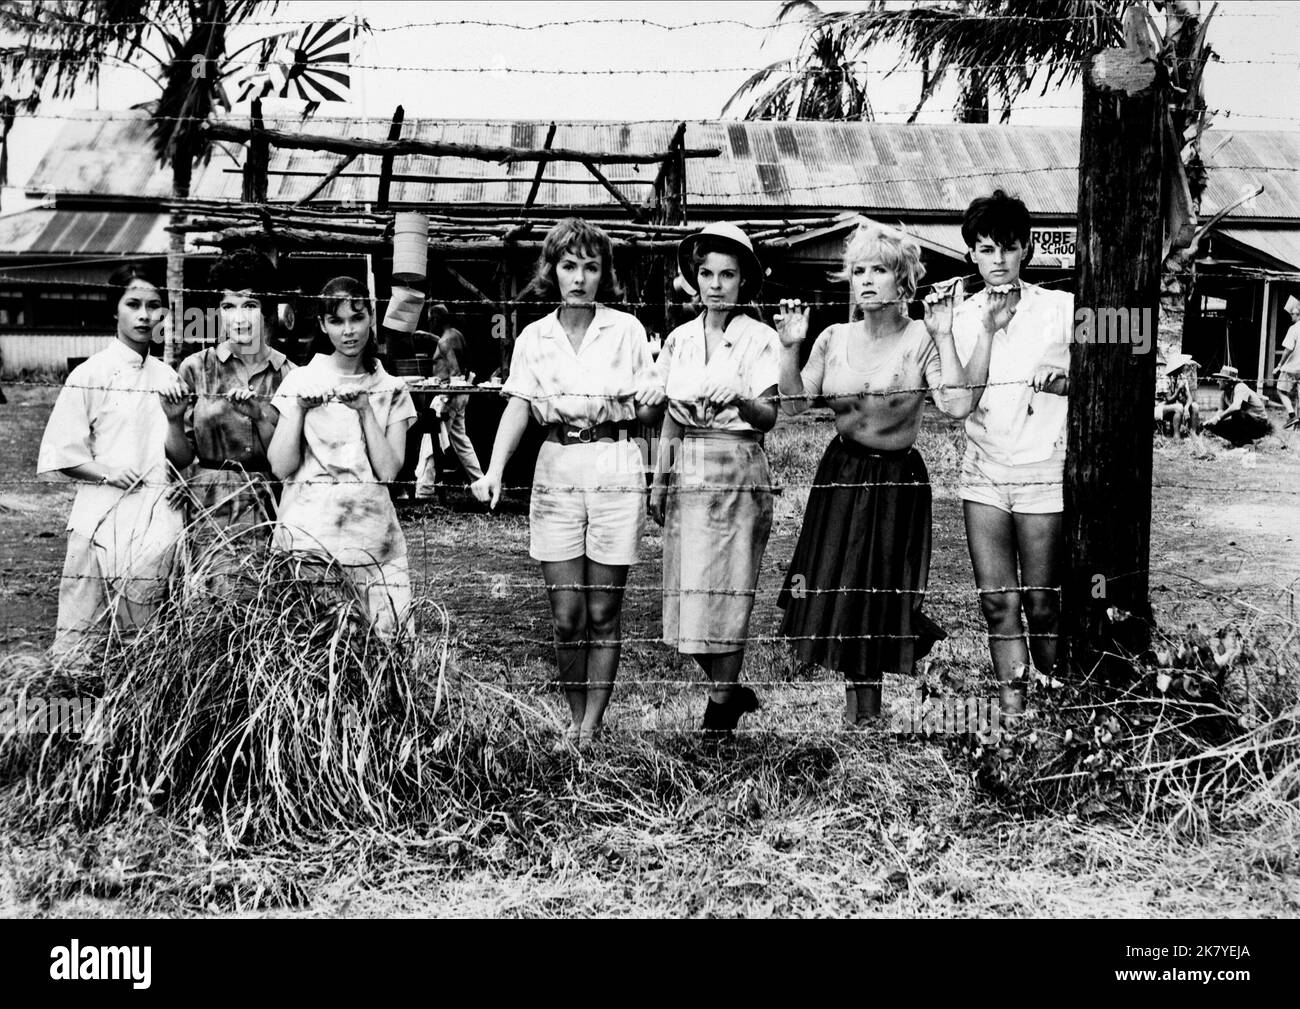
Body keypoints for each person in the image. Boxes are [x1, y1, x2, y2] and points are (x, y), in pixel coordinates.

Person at [471, 218, 665, 750]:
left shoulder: (625, 329)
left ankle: (591, 727)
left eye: (591, 267)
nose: (579, 278)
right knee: (567, 615)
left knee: (603, 610)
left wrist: (655, 398)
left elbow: (650, 415)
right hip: (556, 465)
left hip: (614, 463)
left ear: (605, 274)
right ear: (552, 270)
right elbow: (518, 405)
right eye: (568, 266)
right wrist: (494, 470)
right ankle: (573, 715)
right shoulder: (535, 337)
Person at [774, 222, 972, 729]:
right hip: (840, 473)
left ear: (902, 281)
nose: (865, 280)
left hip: (894, 481)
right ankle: (855, 715)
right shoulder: (834, 337)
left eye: (878, 270)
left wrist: (946, 335)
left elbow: (954, 405)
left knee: (878, 591)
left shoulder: (921, 337)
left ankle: (871, 715)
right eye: (858, 270)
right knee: (841, 587)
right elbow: (795, 407)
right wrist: (790, 347)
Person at [649, 222, 779, 733]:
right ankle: (729, 689)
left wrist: (743, 400)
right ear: (695, 280)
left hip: (739, 465)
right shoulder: (680, 340)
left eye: (728, 274)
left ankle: (722, 701)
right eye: (706, 274)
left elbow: (769, 415)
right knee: (688, 596)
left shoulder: (761, 338)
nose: (716, 284)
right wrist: (660, 479)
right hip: (689, 472)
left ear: (744, 281)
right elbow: (672, 416)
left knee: (727, 589)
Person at [951, 190, 1073, 715]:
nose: (997, 260)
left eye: (1007, 247)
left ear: (1026, 248)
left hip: (1044, 469)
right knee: (998, 602)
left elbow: (1133, 355)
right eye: (984, 249)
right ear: (972, 254)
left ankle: (1053, 711)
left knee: (1043, 603)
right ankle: (1013, 715)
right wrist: (984, 329)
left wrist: (1069, 380)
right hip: (983, 470)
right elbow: (957, 401)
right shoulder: (959, 315)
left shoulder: (1062, 308)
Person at [37, 262, 192, 661]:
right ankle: (73, 716)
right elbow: (62, 452)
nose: (145, 315)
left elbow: (180, 457)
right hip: (98, 520)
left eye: (155, 305)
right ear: (115, 310)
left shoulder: (167, 375)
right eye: (133, 304)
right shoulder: (91, 373)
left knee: (143, 642)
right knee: (80, 641)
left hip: (154, 523)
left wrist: (175, 420)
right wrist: (107, 473)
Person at [268, 276, 417, 636]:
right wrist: (301, 408)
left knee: (385, 646)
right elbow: (280, 466)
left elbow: (388, 472)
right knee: (314, 649)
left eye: (357, 318)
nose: (349, 331)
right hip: (310, 539)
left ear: (372, 317)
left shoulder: (391, 387)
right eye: (336, 321)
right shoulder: (301, 379)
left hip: (373, 539)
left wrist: (366, 410)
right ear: (322, 325)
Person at [175, 248, 295, 584]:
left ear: (268, 310)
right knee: (210, 607)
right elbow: (179, 450)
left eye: (250, 306)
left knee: (269, 604)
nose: (239, 318)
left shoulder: (290, 374)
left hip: (272, 506)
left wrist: (260, 416)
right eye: (228, 307)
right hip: (209, 507)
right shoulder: (196, 369)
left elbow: (295, 457)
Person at [413, 304, 485, 498]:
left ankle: (424, 490)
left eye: (430, 319)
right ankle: (481, 484)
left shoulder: (444, 342)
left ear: (436, 319)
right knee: (461, 442)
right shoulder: (456, 335)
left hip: (449, 394)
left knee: (432, 439)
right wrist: (429, 337)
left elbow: (455, 371)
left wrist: (445, 398)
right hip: (462, 393)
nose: (429, 323)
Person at [1204, 364, 1272, 446]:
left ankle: (1247, 444)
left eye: (1219, 379)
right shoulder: (1224, 394)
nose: (1217, 381)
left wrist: (1218, 418)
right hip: (1246, 422)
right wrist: (1212, 421)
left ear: (1227, 381)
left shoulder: (1240, 387)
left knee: (1237, 413)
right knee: (1214, 426)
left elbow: (1236, 407)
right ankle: (1239, 441)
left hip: (1259, 424)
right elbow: (1220, 410)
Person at [1153, 352, 1198, 437]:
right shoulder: (1164, 378)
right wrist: (1178, 390)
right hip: (1160, 408)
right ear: (1177, 367)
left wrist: (1187, 407)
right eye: (1182, 365)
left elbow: (1189, 397)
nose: (1184, 367)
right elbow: (1169, 399)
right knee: (1179, 407)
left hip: (1173, 406)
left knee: (1195, 406)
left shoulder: (1182, 377)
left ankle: (1193, 433)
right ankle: (1176, 436)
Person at [1273, 295, 1300, 430]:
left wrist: (1279, 365)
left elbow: (1288, 349)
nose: (1291, 316)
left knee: (1281, 390)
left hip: (1291, 368)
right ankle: (1298, 424)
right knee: (1299, 396)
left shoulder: (1294, 329)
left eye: (1292, 314)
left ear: (1297, 313)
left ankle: (1292, 415)